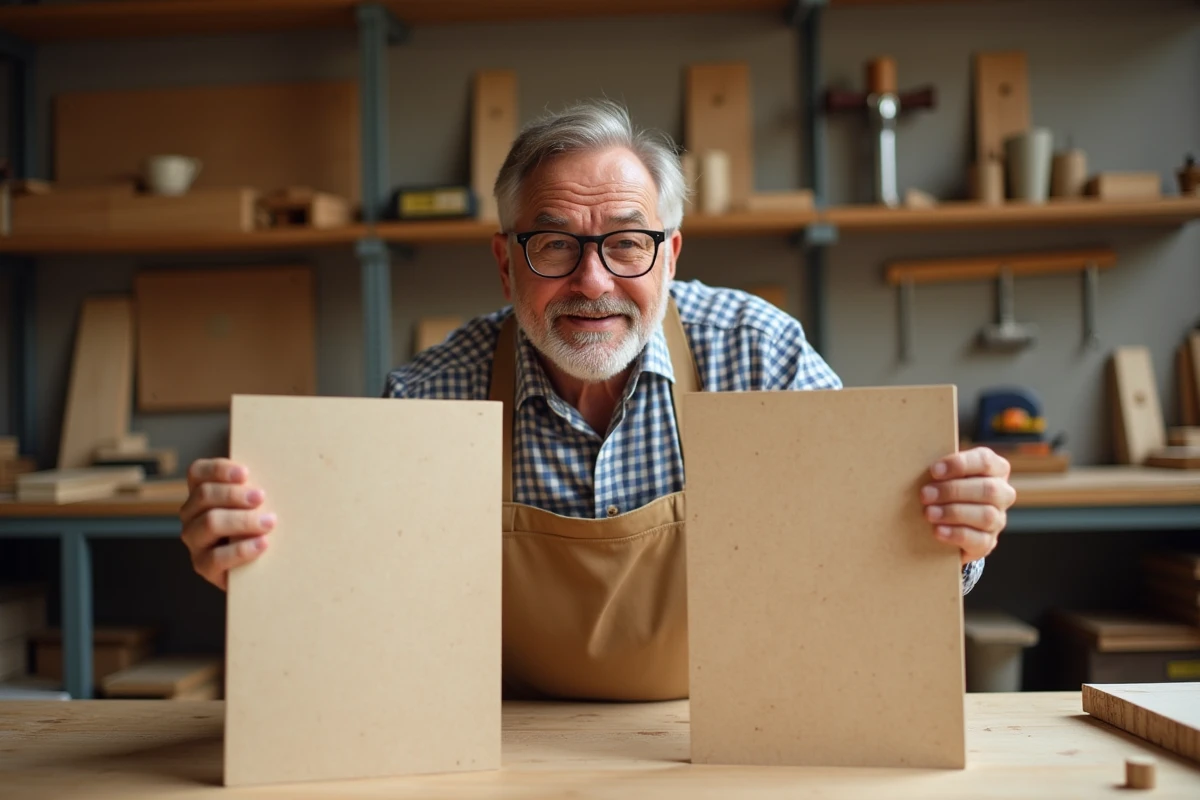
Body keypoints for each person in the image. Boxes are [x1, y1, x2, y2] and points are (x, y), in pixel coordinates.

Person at [180, 99, 1016, 701]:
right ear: (506, 264)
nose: (592, 281)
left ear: (671, 255)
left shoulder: (758, 354)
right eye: (554, 245)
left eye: (625, 243)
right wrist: (264, 570)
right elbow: (361, 631)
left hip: (728, 741)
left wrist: (954, 530)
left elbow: (867, 559)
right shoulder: (433, 399)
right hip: (509, 747)